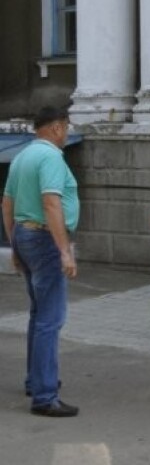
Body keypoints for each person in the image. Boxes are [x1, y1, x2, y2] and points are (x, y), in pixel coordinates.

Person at [1, 106, 80, 417]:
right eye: (67, 128)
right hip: (44, 240)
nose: (68, 134)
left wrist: (15, 245)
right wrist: (64, 250)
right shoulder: (50, 157)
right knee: (51, 319)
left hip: (24, 234)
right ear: (58, 128)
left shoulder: (22, 156)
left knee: (38, 314)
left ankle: (36, 381)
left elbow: (7, 204)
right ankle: (45, 396)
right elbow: (51, 202)